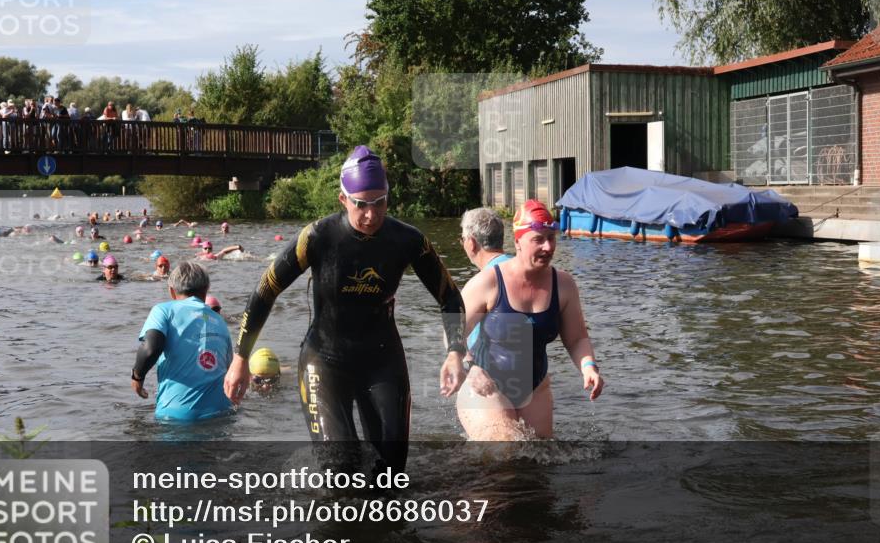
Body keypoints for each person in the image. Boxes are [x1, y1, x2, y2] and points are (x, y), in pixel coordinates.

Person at [223, 145, 466, 473]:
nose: (371, 214)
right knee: (340, 468)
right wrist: (240, 358)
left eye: (379, 203)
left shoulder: (408, 240)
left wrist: (455, 352)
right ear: (343, 199)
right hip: (326, 359)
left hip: (382, 359)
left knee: (391, 473)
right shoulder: (318, 237)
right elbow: (266, 290)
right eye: (361, 204)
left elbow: (450, 297)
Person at [456, 199, 604, 441]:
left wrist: (588, 367)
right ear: (518, 242)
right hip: (486, 385)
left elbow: (577, 339)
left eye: (551, 237)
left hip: (535, 386)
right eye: (538, 239)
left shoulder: (564, 284)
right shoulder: (488, 282)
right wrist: (469, 368)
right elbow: (452, 333)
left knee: (540, 460)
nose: (548, 247)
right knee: (505, 458)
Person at [130, 261, 234, 422]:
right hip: (221, 413)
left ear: (172, 291)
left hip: (177, 418)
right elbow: (230, 372)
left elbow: (150, 348)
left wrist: (137, 377)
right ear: (206, 290)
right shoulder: (220, 321)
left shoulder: (163, 310)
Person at [460, 208, 514, 351]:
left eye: (463, 239)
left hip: (486, 369)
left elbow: (453, 334)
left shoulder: (480, 283)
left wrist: (469, 364)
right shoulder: (521, 269)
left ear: (471, 243)